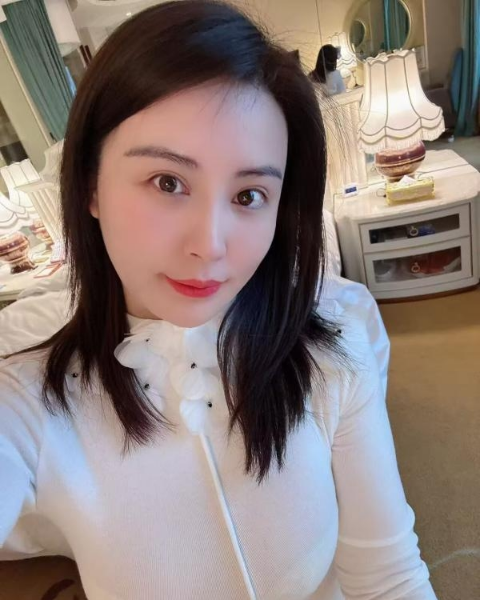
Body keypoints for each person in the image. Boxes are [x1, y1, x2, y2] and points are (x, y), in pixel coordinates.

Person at [0, 2, 437, 599]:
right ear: (90, 185)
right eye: (168, 182)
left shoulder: (333, 351)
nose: (209, 246)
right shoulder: (26, 403)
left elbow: (390, 578)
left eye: (249, 195)